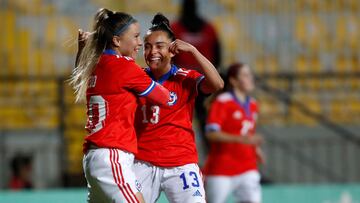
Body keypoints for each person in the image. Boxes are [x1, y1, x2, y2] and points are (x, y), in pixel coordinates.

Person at [71, 8, 172, 203]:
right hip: (111, 155)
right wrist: (166, 59)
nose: (140, 43)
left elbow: (79, 72)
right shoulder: (125, 67)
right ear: (117, 41)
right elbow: (165, 98)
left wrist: (82, 48)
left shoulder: (96, 62)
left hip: (98, 156)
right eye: (135, 36)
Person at [133, 13, 224, 203]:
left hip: (181, 164)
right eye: (148, 47)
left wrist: (193, 50)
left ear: (173, 51)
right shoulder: (136, 78)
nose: (152, 52)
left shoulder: (186, 78)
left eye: (159, 46)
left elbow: (217, 85)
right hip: (143, 163)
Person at [204, 63, 264, 203]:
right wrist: (242, 140)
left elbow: (248, 132)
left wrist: (256, 149)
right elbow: (211, 133)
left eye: (250, 75)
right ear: (233, 80)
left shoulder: (254, 104)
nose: (250, 78)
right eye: (245, 75)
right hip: (222, 168)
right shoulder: (223, 102)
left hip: (248, 166)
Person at [171, 0, 222, 140]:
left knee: (203, 120)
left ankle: (209, 153)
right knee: (189, 119)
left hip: (197, 82)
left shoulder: (208, 29)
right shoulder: (176, 28)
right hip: (184, 82)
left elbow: (217, 53)